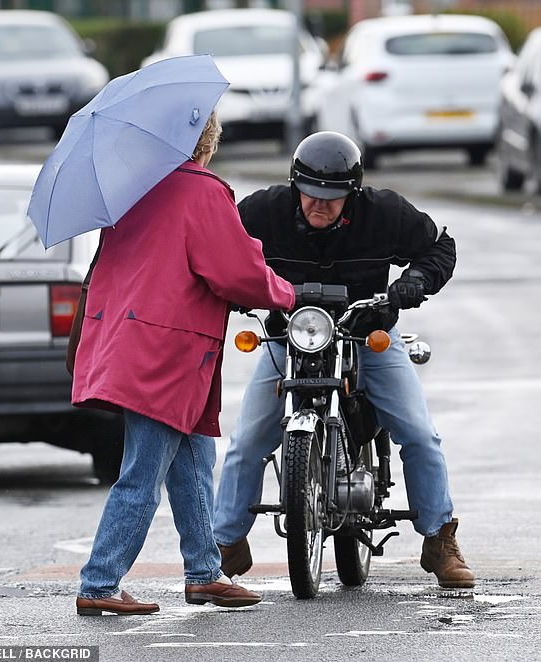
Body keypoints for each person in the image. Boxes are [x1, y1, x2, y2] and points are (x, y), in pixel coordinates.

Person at [214, 130, 475, 590]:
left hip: (367, 331)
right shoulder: (260, 212)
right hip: (290, 335)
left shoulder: (385, 213)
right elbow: (220, 255)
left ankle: (440, 539)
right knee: (247, 438)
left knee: (418, 433)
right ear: (295, 187)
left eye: (332, 198)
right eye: (311, 195)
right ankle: (226, 543)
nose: (320, 205)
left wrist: (411, 285)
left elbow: (440, 248)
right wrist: (234, 290)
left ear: (352, 194)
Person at [71, 112, 295, 616]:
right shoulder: (201, 190)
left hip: (130, 340)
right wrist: (286, 293)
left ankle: (204, 572)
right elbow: (235, 272)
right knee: (143, 472)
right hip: (168, 353)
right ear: (206, 140)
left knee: (194, 458)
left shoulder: (131, 190)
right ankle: (100, 581)